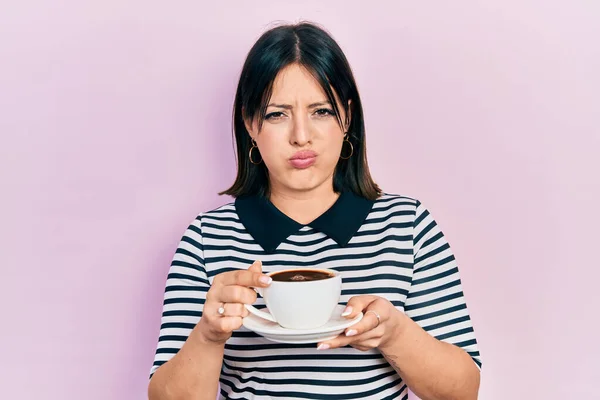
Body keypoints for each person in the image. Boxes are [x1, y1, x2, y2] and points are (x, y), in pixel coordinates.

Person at [148, 22, 482, 400]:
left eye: (321, 111)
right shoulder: (206, 238)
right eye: (277, 114)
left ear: (347, 117)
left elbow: (463, 390)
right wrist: (208, 336)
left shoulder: (407, 226)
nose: (301, 135)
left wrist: (394, 332)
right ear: (250, 124)